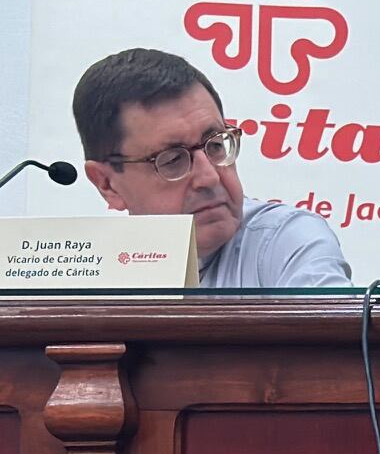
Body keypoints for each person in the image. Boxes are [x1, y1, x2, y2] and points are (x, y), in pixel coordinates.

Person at [73, 48, 352, 288]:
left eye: (216, 145)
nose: (209, 176)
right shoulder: (77, 268)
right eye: (172, 160)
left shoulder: (287, 242)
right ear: (107, 184)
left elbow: (337, 347)